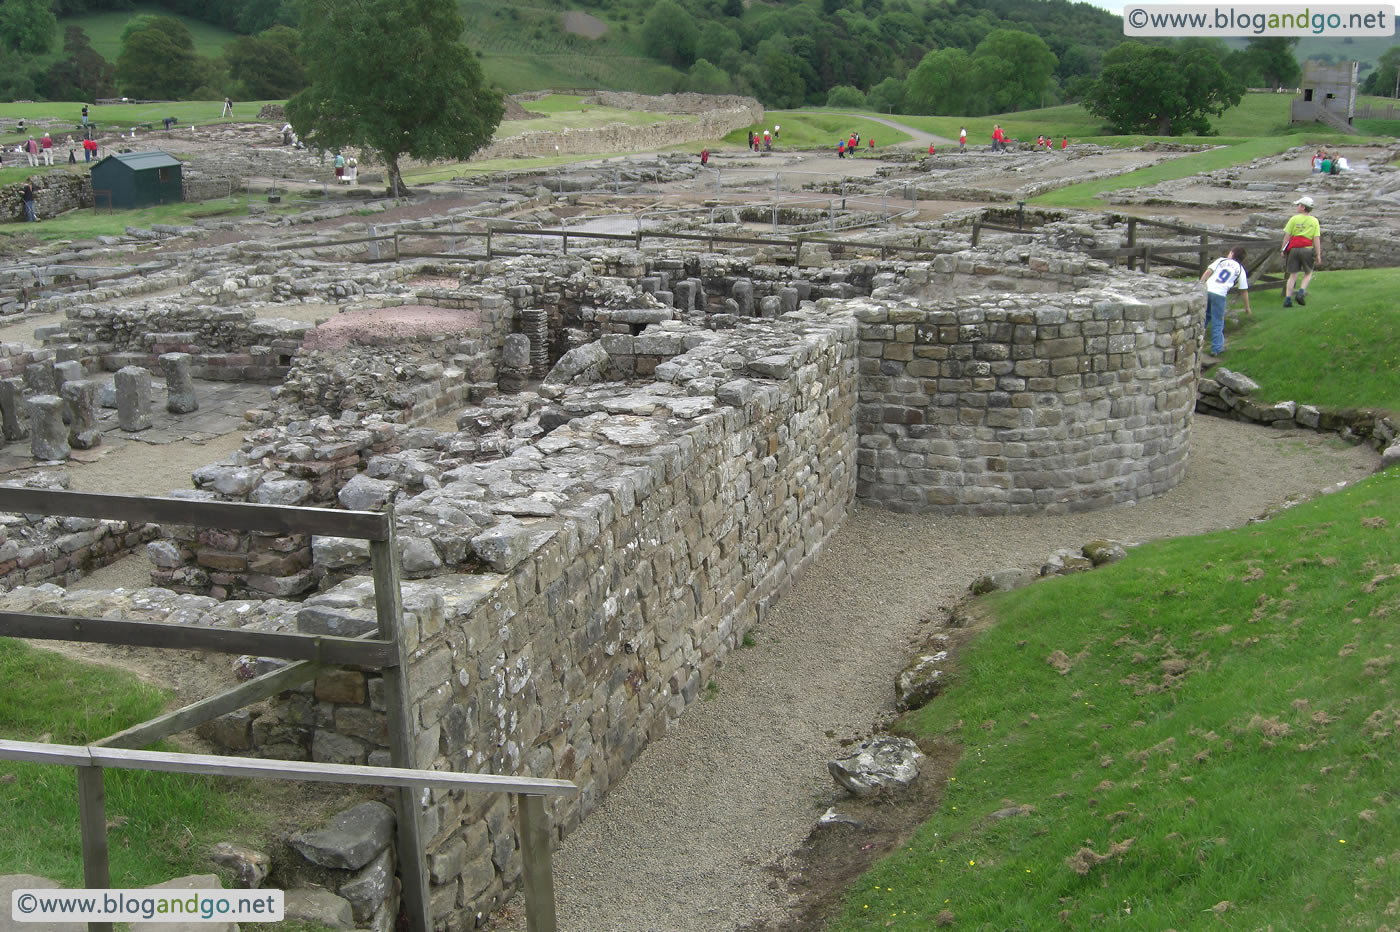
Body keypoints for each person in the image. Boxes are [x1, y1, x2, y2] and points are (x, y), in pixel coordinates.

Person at [1199, 246, 1252, 358]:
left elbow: (1208, 272)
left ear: (1231, 254)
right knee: (1218, 321)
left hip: (1207, 290)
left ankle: (1196, 342)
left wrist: (1200, 285)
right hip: (1220, 294)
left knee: (1205, 317)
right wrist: (1247, 307)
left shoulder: (1221, 260)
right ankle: (1216, 348)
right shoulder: (1241, 270)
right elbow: (1244, 291)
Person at [1281, 195, 1321, 307]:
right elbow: (1316, 239)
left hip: (1294, 249)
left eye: (1298, 205)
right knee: (1308, 272)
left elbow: (1287, 236)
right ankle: (1301, 292)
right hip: (1307, 249)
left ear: (1303, 207)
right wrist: (1318, 254)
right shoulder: (1314, 221)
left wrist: (1283, 249)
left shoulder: (1294, 219)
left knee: (1292, 275)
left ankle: (1288, 299)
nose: (1297, 206)